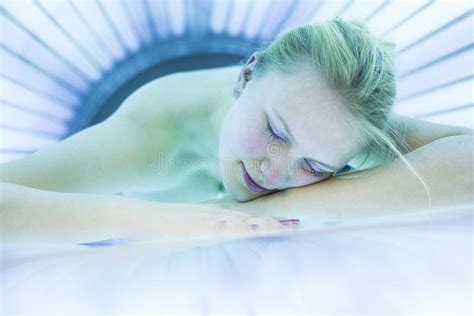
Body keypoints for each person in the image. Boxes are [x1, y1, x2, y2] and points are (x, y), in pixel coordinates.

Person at [1, 19, 472, 244]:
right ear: (247, 74)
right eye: (276, 131)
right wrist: (139, 217)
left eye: (314, 167)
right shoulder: (158, 135)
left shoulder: (340, 125)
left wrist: (288, 204)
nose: (274, 170)